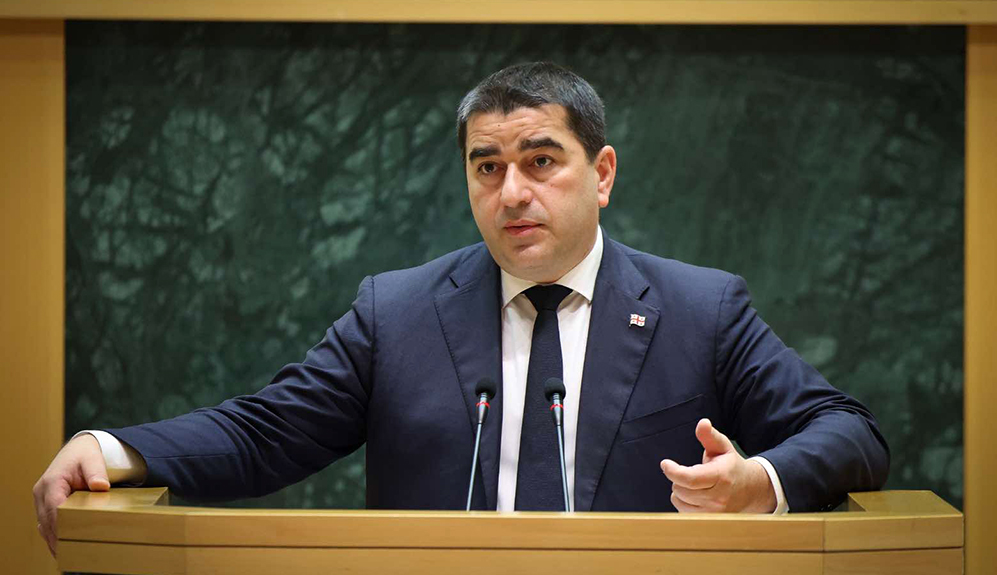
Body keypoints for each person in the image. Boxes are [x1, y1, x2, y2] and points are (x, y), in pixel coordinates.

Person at [34, 61, 889, 556]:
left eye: (540, 161)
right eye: (487, 167)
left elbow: (850, 431)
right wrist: (112, 447)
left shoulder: (699, 308)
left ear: (601, 174)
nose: (511, 191)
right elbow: (265, 432)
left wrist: (759, 483)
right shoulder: (396, 312)